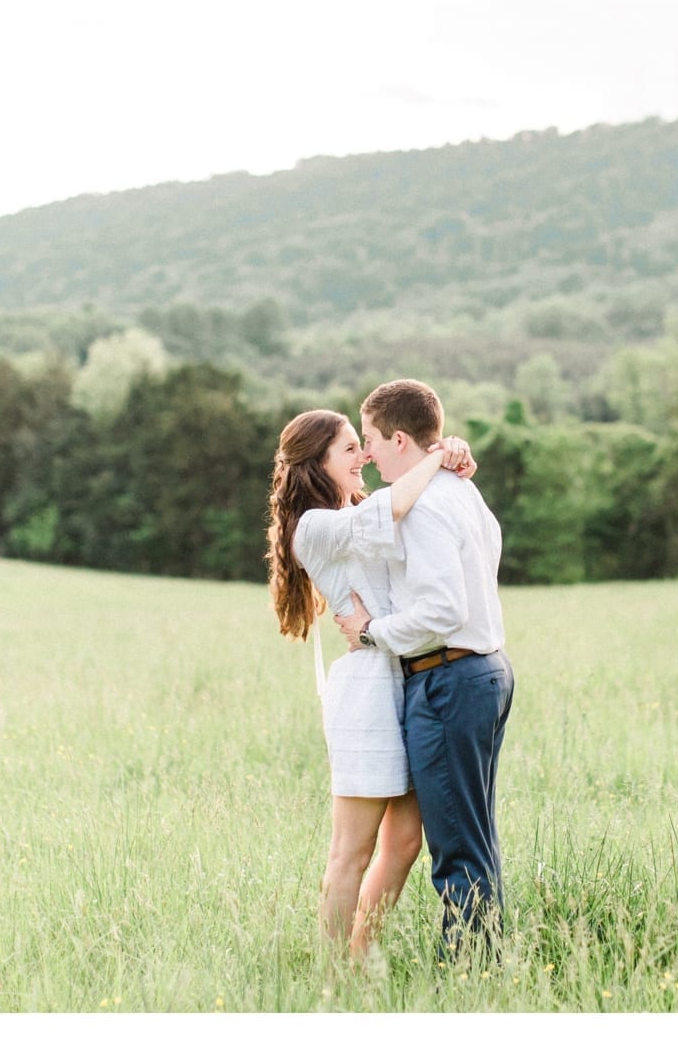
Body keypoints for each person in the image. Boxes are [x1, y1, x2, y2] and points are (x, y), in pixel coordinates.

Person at [264, 408, 475, 961]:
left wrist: (448, 450)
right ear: (317, 463)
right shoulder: (313, 526)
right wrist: (435, 456)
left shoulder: (355, 510)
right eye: (349, 449)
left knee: (405, 843)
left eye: (364, 446)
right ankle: (334, 976)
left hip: (409, 682)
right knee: (350, 852)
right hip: (365, 694)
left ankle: (361, 954)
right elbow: (398, 503)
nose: (363, 458)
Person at [335, 379, 515, 959]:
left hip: (446, 680)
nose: (367, 454)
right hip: (484, 671)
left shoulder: (424, 509)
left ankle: (466, 977)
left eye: (371, 441)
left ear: (402, 439)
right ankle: (484, 963)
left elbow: (442, 610)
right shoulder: (464, 493)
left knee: (457, 845)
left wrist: (372, 633)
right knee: (475, 834)